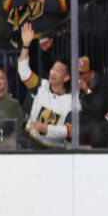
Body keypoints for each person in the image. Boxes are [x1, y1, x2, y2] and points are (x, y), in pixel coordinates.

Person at [16, 22, 73, 150]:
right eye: (53, 69)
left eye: (58, 70)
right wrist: (26, 45)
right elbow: (24, 73)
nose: (53, 72)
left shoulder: (71, 100)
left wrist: (46, 129)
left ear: (67, 77)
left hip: (55, 151)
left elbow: (70, 130)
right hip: (31, 143)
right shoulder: (41, 85)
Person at [75, 55, 108, 148]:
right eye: (77, 73)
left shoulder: (100, 90)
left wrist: (86, 90)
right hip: (77, 135)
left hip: (95, 138)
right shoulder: (75, 90)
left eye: (82, 73)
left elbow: (98, 109)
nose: (79, 77)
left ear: (92, 74)